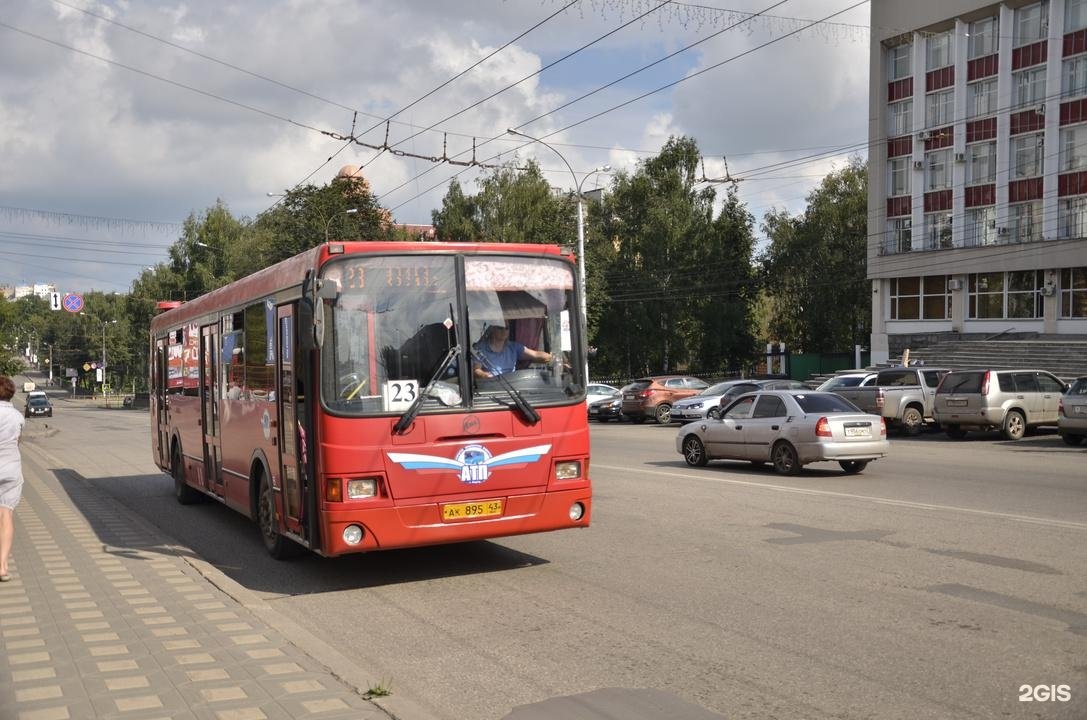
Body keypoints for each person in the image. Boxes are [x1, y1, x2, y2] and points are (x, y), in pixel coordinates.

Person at [0, 376, 25, 582]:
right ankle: (3, 566)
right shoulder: (17, 416)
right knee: (6, 515)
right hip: (11, 469)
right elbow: (17, 442)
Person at [473, 324, 553, 379]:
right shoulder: (480, 348)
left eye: (507, 328)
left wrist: (550, 357)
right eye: (501, 327)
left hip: (513, 385)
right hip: (492, 386)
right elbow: (476, 370)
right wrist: (484, 375)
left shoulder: (514, 347)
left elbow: (535, 354)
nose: (504, 330)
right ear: (492, 329)